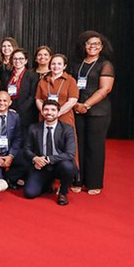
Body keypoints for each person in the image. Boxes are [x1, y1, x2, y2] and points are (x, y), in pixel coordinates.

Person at [72, 31, 114, 195]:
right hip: (77, 109)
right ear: (84, 46)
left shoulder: (105, 64)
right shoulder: (78, 64)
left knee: (94, 146)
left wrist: (86, 105)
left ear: (101, 47)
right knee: (78, 146)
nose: (92, 46)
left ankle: (93, 182)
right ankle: (78, 180)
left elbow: (106, 88)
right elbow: (71, 86)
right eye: (89, 44)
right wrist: (76, 104)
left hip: (98, 111)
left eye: (96, 44)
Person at [23, 100, 78, 205]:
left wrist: (48, 159)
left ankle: (63, 192)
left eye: (53, 110)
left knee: (68, 166)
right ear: (42, 112)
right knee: (29, 193)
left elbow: (70, 153)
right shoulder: (34, 128)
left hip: (59, 164)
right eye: (46, 109)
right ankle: (47, 184)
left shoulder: (67, 129)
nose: (49, 112)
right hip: (40, 166)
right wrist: (35, 158)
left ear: (58, 113)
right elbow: (26, 149)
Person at [2, 48, 39, 136]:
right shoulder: (6, 75)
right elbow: (3, 92)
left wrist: (18, 111)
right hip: (8, 111)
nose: (17, 61)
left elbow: (32, 96)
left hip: (25, 113)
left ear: (26, 61)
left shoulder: (33, 76)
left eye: (21, 59)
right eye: (15, 59)